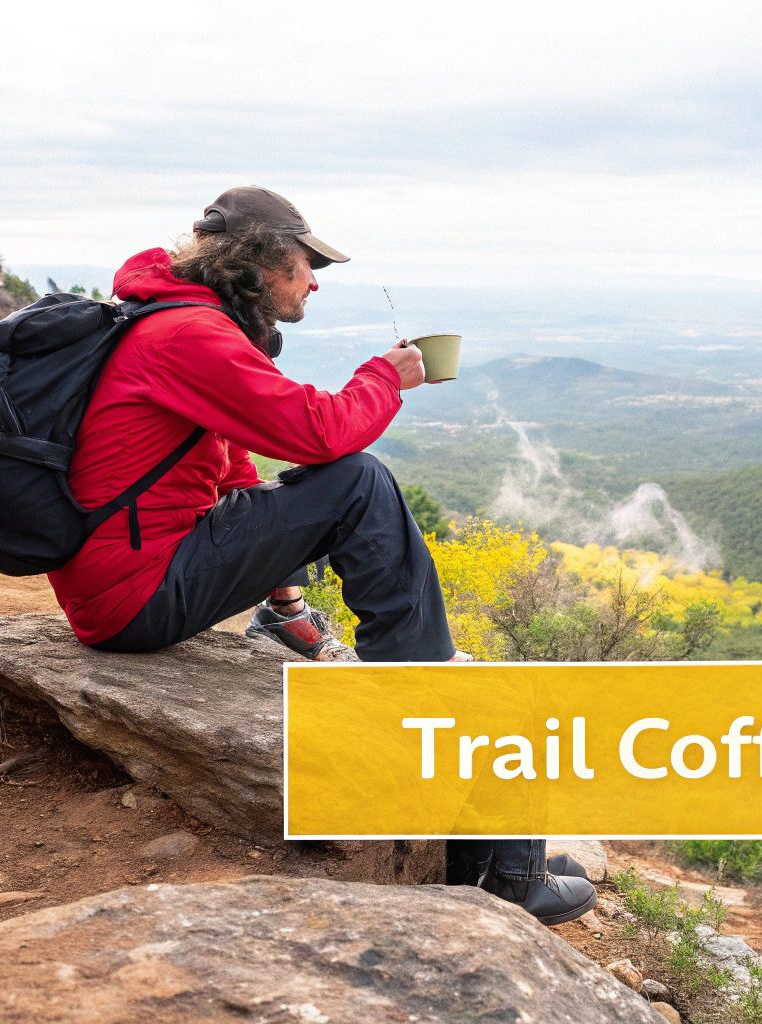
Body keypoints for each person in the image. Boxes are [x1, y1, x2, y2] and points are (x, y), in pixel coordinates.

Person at [45, 185, 593, 925]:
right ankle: (424, 698)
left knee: (318, 490)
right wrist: (384, 377)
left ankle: (491, 859)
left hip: (130, 575)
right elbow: (319, 434)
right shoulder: (187, 335)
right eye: (308, 263)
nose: (314, 280)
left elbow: (231, 475)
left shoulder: (174, 320)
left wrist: (282, 600)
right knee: (357, 479)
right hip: (137, 594)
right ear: (263, 260)